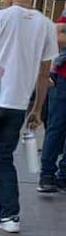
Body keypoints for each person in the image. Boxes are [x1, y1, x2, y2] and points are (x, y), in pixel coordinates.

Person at [0, 0, 56, 232]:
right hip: (17, 105)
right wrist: (36, 109)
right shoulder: (46, 25)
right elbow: (44, 72)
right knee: (4, 159)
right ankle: (9, 217)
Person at [38, 14, 66, 193]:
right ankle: (47, 174)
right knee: (57, 127)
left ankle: (63, 176)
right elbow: (57, 35)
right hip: (63, 78)